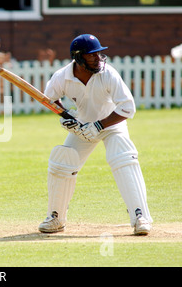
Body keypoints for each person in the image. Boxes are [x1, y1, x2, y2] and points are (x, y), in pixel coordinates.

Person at [38, 34, 152, 236]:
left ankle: (140, 216)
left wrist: (99, 125)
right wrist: (66, 116)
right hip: (82, 126)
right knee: (62, 161)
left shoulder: (108, 73)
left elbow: (127, 108)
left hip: (111, 124)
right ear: (79, 57)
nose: (98, 58)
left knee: (123, 157)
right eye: (92, 55)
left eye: (99, 53)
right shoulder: (62, 76)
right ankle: (56, 217)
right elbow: (49, 99)